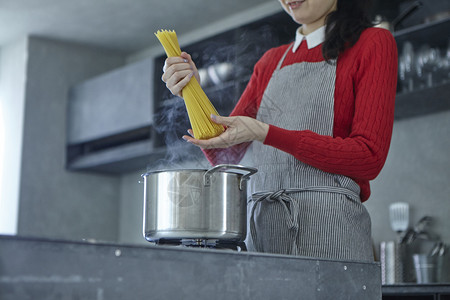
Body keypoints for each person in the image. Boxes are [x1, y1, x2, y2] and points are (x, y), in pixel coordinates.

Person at [161, 0, 397, 262]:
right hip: (264, 234)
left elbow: (368, 157)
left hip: (331, 234)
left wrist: (266, 133)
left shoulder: (373, 42)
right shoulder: (270, 62)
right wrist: (191, 90)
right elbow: (222, 152)